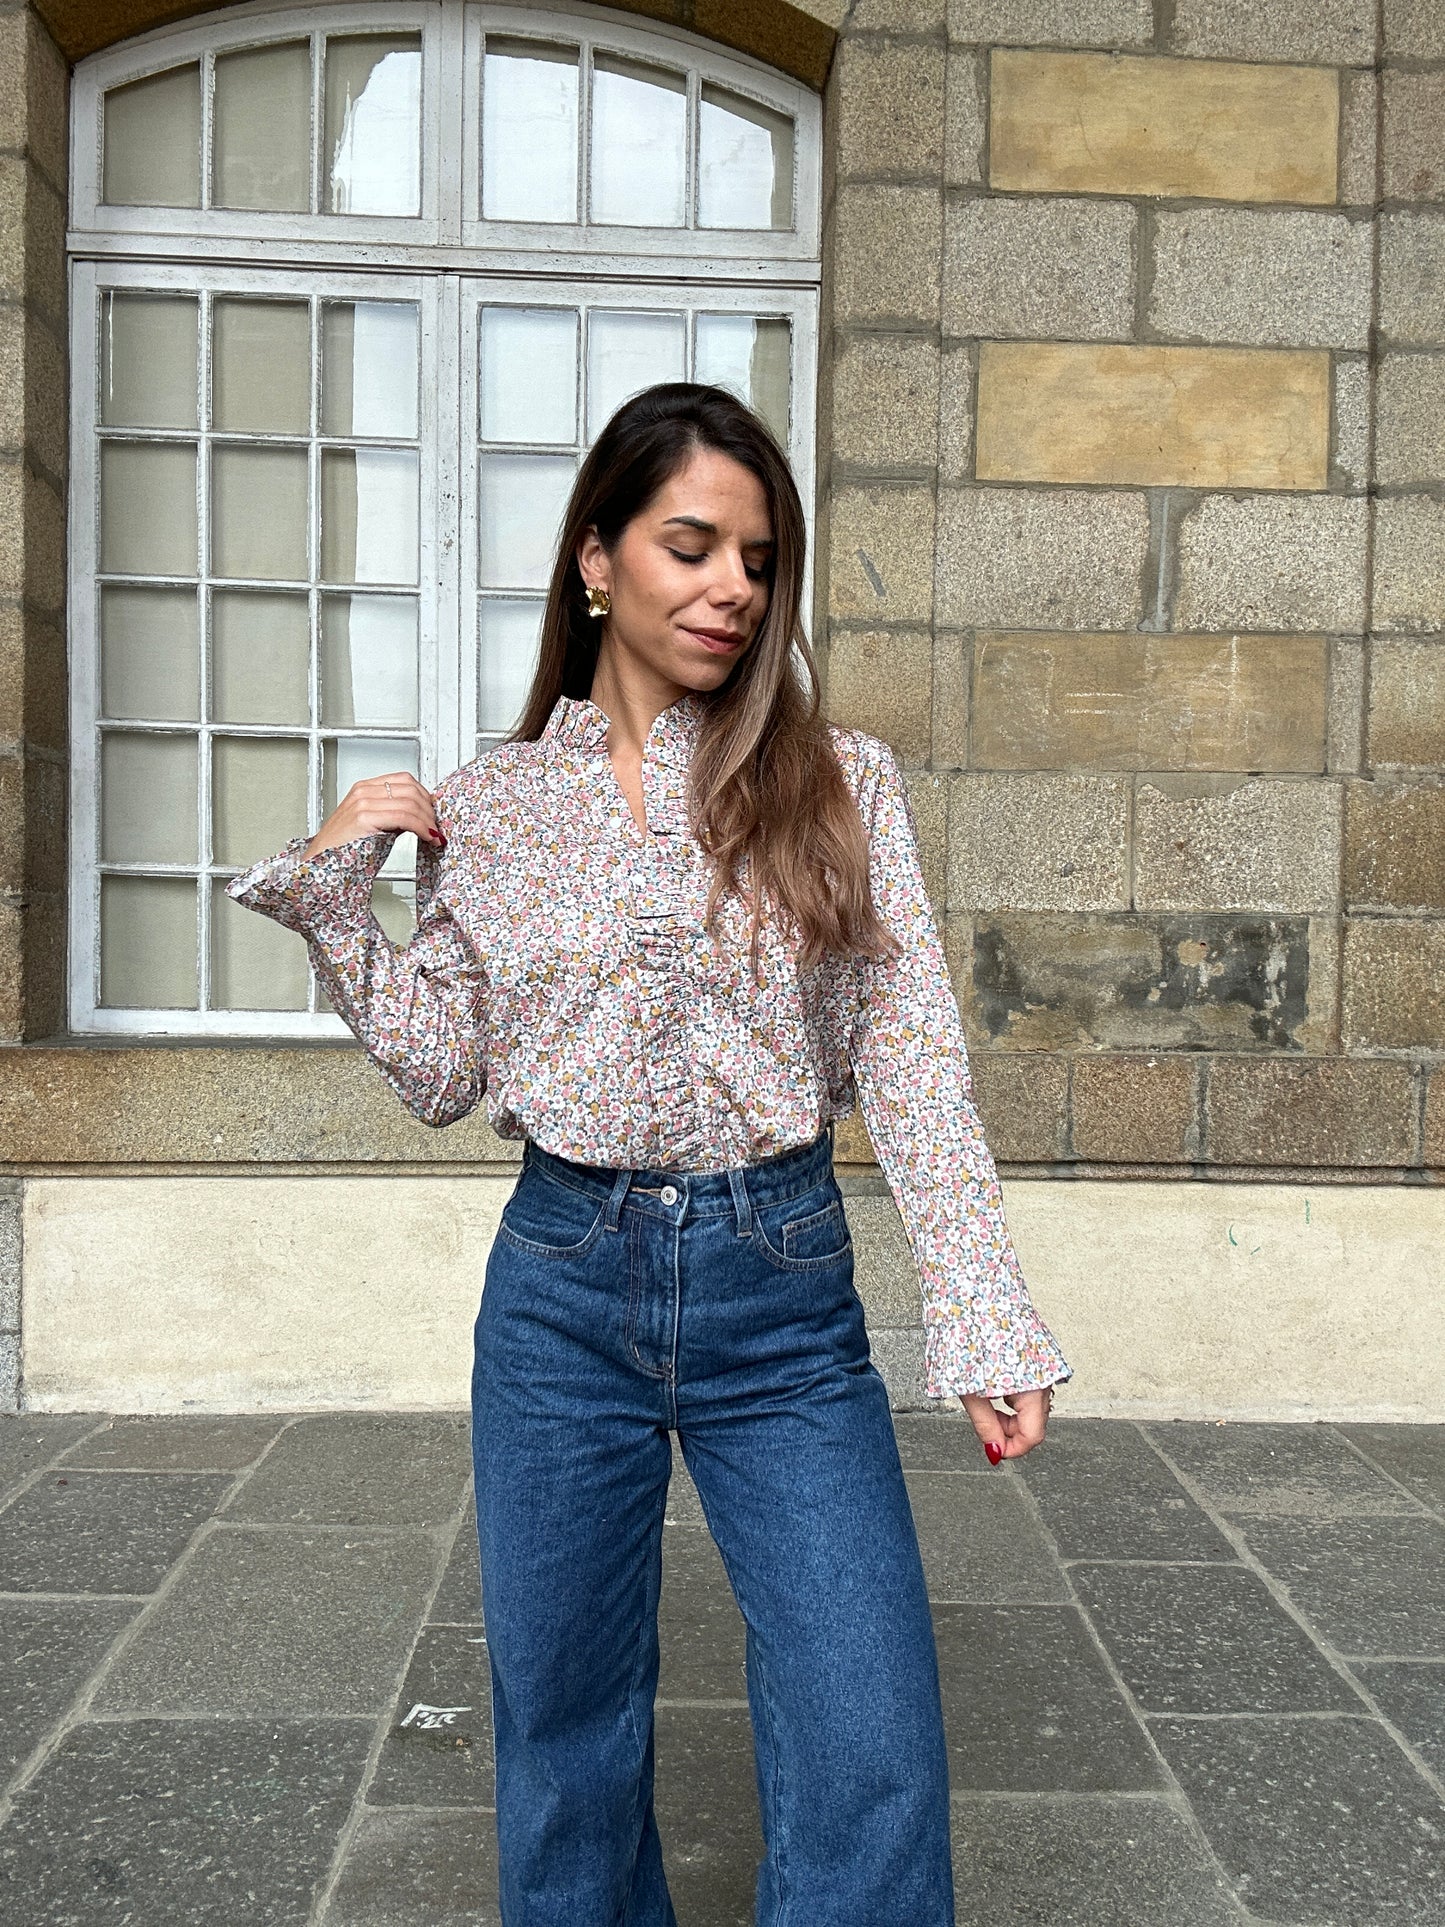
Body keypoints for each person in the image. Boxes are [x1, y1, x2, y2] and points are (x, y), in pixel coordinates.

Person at [227, 381, 1072, 1925]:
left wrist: (981, 1311)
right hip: (561, 1292)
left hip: (782, 1292)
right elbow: (443, 1077)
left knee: (867, 1725)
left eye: (757, 558)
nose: (731, 587)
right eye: (691, 546)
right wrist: (338, 898)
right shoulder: (493, 805)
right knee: (563, 1730)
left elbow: (908, 1056)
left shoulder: (837, 781)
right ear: (596, 559)